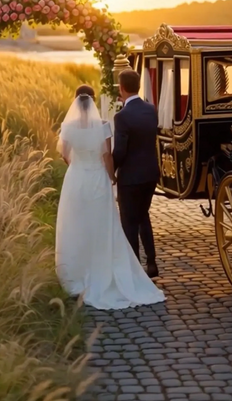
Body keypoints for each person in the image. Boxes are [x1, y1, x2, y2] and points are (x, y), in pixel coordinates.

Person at [55, 85, 165, 311]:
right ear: (94, 101)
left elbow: (63, 153)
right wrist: (112, 177)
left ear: (75, 102)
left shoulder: (67, 127)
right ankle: (104, 268)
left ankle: (76, 271)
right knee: (102, 224)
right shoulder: (103, 126)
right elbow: (107, 156)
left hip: (76, 179)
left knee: (76, 224)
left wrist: (76, 165)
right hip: (97, 179)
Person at [113, 69, 160, 278]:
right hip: (150, 173)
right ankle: (151, 262)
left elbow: (121, 151)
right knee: (143, 217)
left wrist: (111, 171)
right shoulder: (151, 110)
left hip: (131, 177)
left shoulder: (122, 116)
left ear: (121, 88)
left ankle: (134, 268)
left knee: (129, 221)